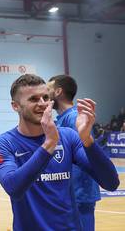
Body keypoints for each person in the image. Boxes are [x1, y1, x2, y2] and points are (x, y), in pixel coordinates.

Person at [0, 74, 120, 230]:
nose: (43, 103)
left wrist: (87, 139)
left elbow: (111, 183)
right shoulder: (4, 143)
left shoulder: (68, 136)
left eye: (46, 97)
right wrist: (49, 144)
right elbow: (14, 188)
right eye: (33, 99)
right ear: (15, 106)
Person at [48, 74, 101, 231]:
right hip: (70, 193)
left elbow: (86, 155)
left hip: (80, 193)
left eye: (48, 89)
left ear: (58, 92)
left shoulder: (74, 118)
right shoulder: (62, 119)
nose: (45, 93)